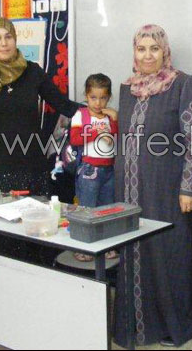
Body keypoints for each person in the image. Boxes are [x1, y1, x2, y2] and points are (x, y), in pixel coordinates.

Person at [113, 24, 192, 347]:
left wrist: (190, 187)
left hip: (168, 190)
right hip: (129, 190)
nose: (147, 55)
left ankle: (175, 326)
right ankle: (136, 327)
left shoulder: (183, 84)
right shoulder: (127, 88)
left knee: (170, 255)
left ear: (165, 51)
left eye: (154, 48)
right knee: (134, 254)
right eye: (141, 49)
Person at [0, 17, 80, 195]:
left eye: (8, 37)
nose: (4, 43)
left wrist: (96, 111)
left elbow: (63, 104)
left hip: (32, 166)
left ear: (15, 39)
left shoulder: (32, 72)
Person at [70, 73, 119, 262]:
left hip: (109, 169)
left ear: (109, 97)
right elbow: (75, 139)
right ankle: (83, 247)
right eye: (93, 98)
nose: (98, 103)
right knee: (86, 209)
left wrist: (115, 120)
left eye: (103, 98)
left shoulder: (109, 116)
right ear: (86, 95)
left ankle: (105, 246)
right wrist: (98, 133)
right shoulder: (81, 114)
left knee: (107, 209)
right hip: (89, 169)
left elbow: (117, 138)